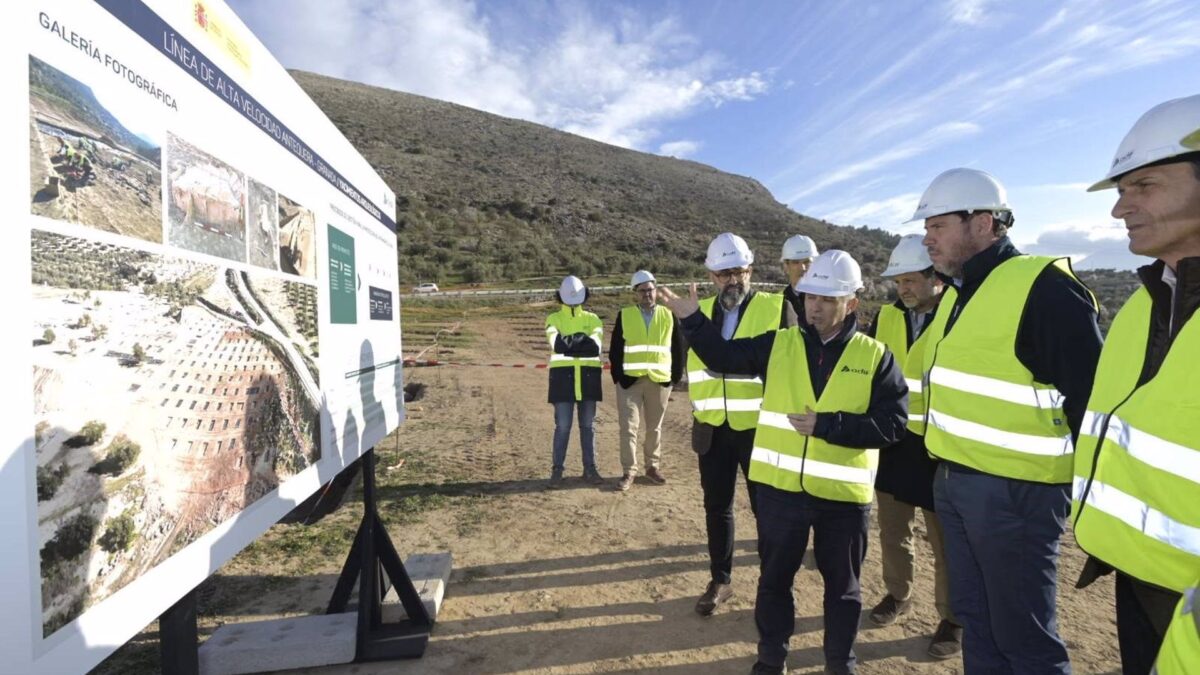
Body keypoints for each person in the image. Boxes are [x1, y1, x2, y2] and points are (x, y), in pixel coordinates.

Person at [662, 249, 907, 675]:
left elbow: (894, 423)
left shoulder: (875, 356)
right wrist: (692, 320)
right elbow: (723, 358)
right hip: (781, 494)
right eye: (811, 296)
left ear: (851, 303)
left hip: (842, 500)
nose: (815, 306)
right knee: (774, 583)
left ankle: (839, 664)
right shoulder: (782, 343)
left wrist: (830, 425)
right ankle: (771, 659)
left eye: (827, 299)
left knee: (843, 592)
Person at [914, 167, 1103, 674]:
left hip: (1017, 493)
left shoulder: (1043, 287)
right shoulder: (957, 293)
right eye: (925, 228)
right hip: (956, 483)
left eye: (937, 225)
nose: (926, 238)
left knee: (1024, 635)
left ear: (984, 222)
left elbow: (1090, 400)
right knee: (977, 618)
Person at [1071, 94, 1200, 675]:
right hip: (1138, 575)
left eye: (1143, 186)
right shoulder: (1139, 308)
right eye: (1121, 191)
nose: (1121, 209)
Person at [865, 234, 961, 659]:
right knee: (893, 529)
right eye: (898, 281)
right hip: (893, 443)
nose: (903, 289)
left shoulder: (960, 314)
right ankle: (897, 593)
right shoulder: (884, 318)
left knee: (945, 541)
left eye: (910, 280)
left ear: (935, 277)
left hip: (940, 449)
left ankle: (953, 617)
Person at [685, 232, 784, 616]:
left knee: (767, 510)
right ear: (711, 277)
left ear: (751, 271)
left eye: (738, 272)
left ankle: (771, 585)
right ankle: (720, 580)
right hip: (712, 427)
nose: (732, 281)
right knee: (717, 508)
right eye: (723, 274)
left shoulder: (776, 308)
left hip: (758, 429)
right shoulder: (698, 311)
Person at [609, 270, 685, 491]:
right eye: (642, 291)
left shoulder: (668, 315)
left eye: (650, 290)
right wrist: (619, 377)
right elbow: (615, 350)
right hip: (630, 382)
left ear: (656, 291)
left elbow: (678, 348)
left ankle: (652, 467)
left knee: (655, 428)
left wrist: (675, 377)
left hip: (659, 381)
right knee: (628, 427)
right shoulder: (625, 315)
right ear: (635, 293)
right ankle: (628, 471)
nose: (647, 294)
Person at [545, 275, 604, 488]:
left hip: (587, 380)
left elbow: (594, 346)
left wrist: (570, 341)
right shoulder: (553, 319)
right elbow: (557, 344)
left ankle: (590, 469)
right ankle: (557, 471)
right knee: (562, 427)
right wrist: (581, 339)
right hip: (563, 381)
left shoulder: (594, 319)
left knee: (588, 427)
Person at [780, 234, 818, 326]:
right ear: (786, 266)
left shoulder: (827, 300)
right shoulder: (778, 302)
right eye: (796, 262)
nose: (802, 268)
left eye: (807, 261)